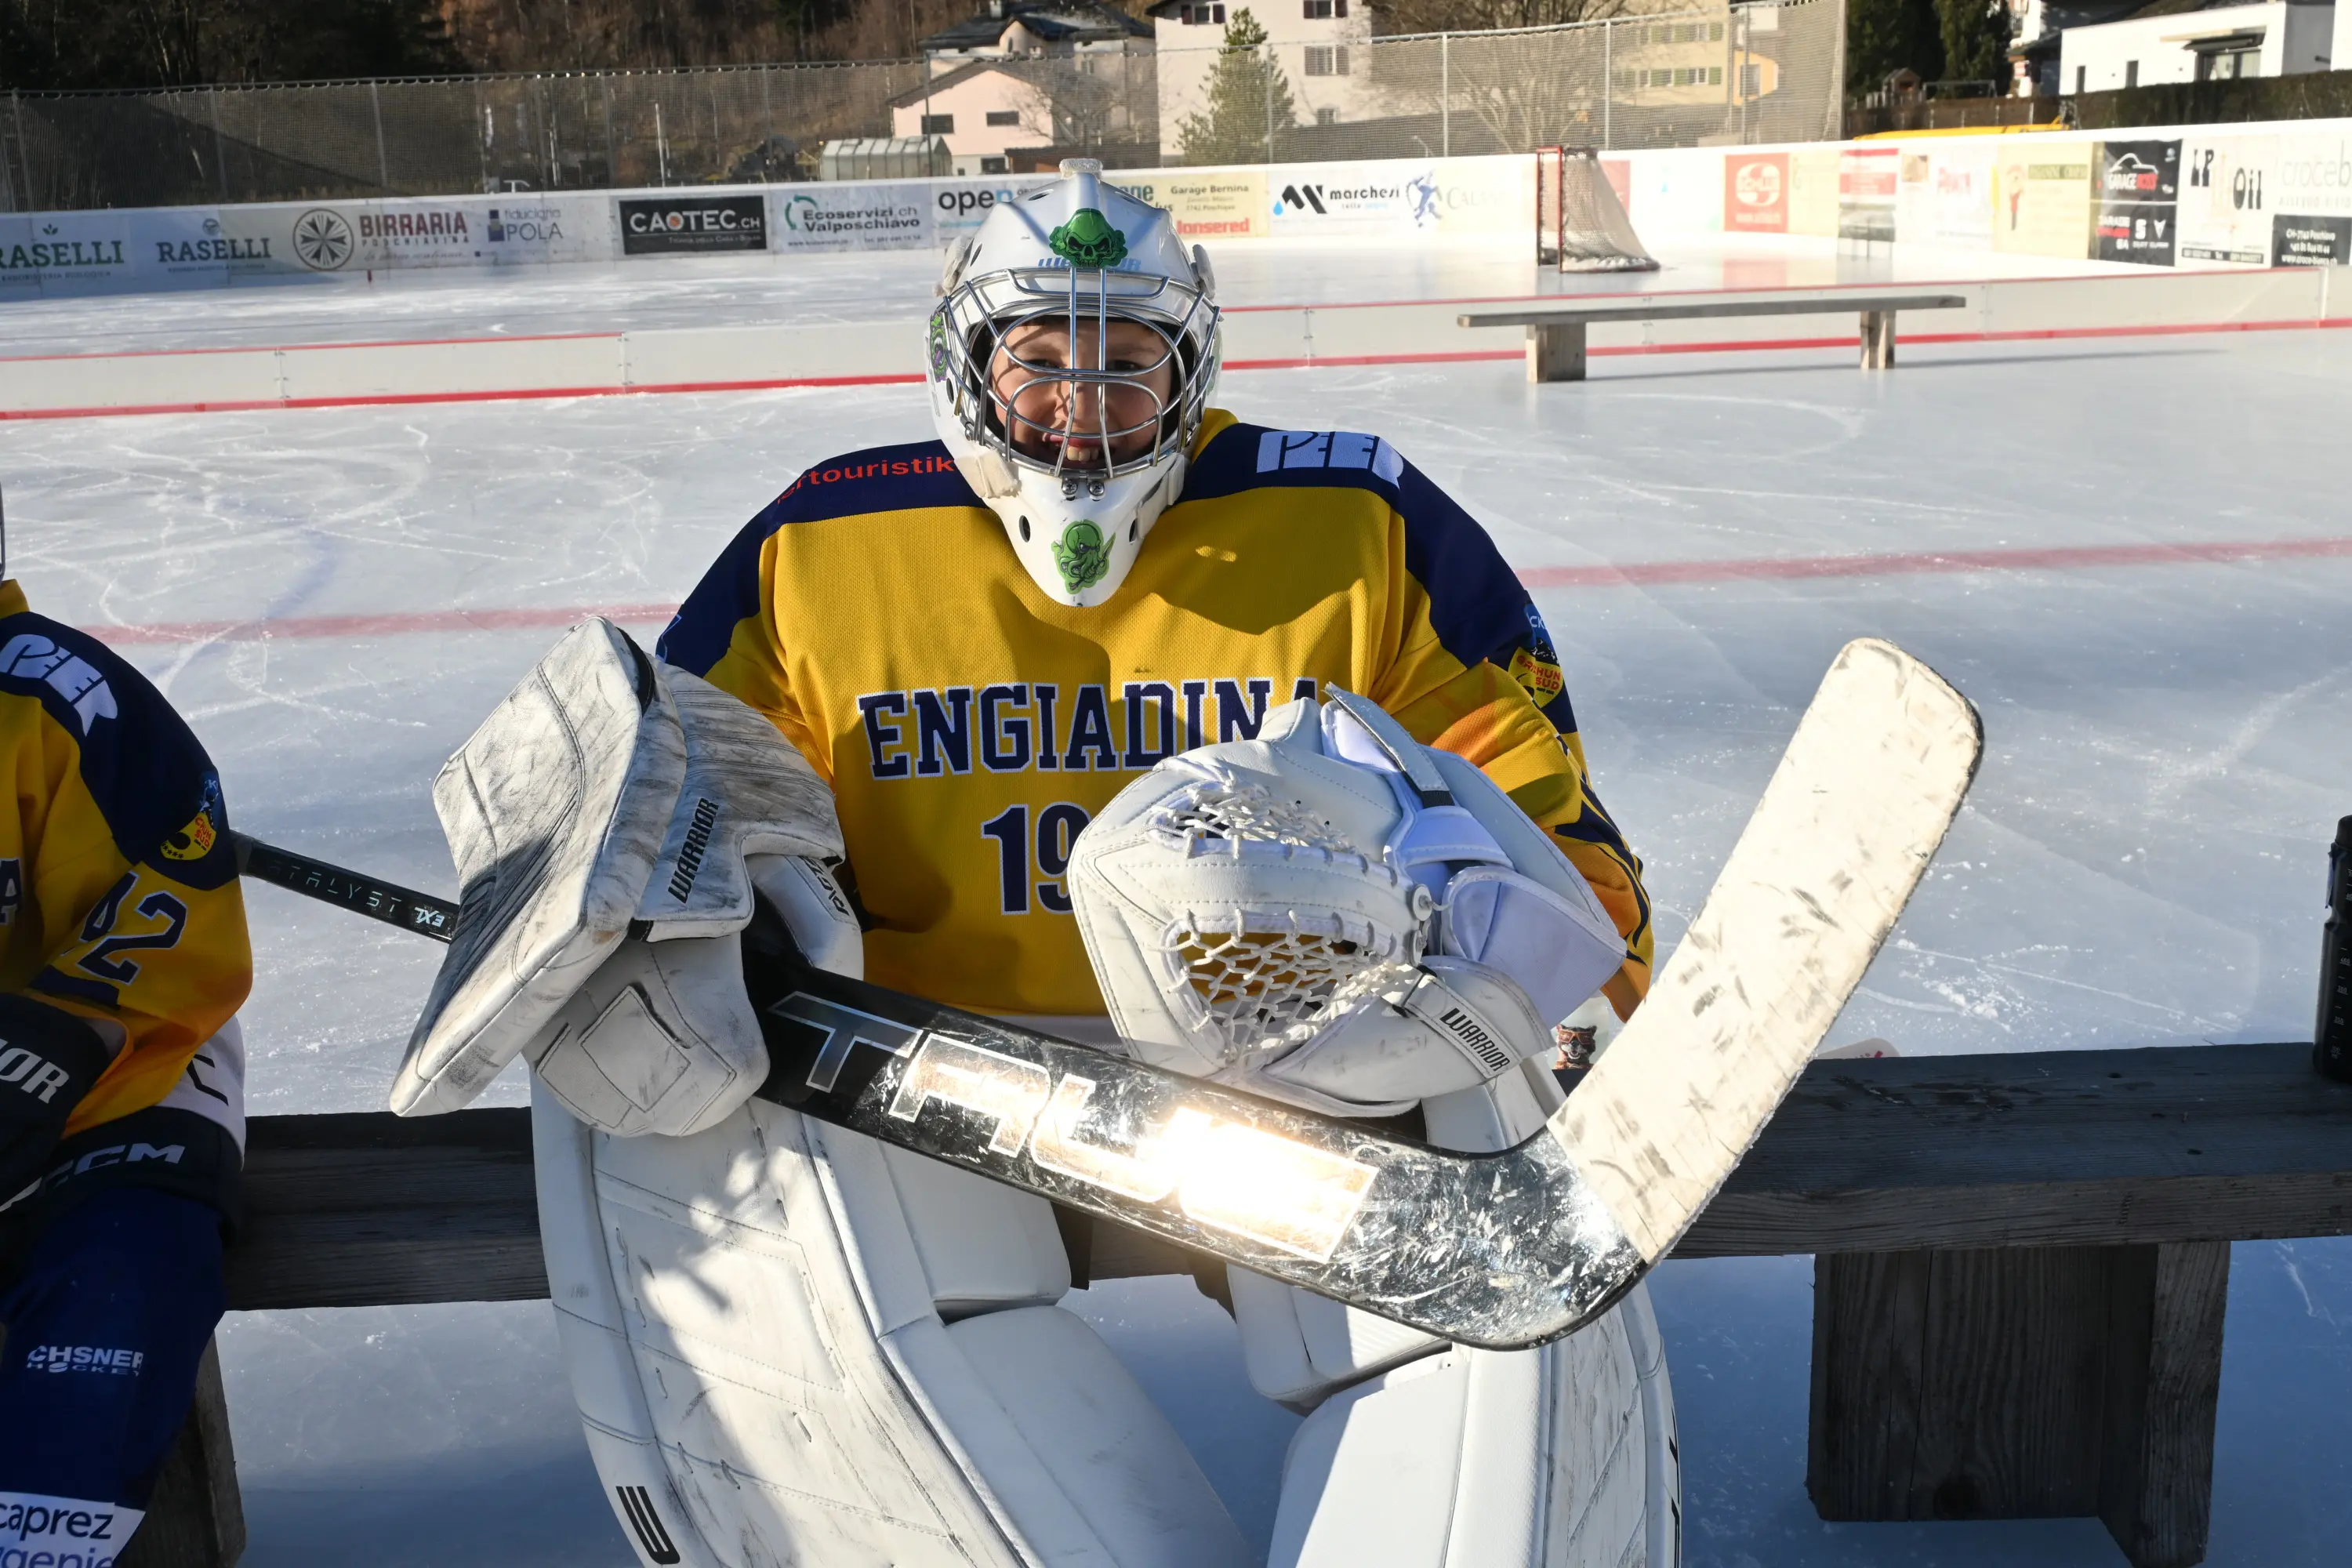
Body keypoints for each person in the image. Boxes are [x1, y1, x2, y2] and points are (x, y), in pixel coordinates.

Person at [498, 162, 1675, 1567]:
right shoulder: (823, 545)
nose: (1082, 408)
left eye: (1129, 366)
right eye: (1041, 363)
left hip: (1286, 1080)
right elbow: (686, 790)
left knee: (1474, 1370)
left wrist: (1583, 984)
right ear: (967, 369)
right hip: (925, 1088)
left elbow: (1528, 794)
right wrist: (699, 925)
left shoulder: (1360, 522)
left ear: (1190, 375)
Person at [0, 571, 253, 1562]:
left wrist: (50, 1045)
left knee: (124, 1285)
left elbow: (176, 903)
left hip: (125, 1069)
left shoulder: (61, 698)